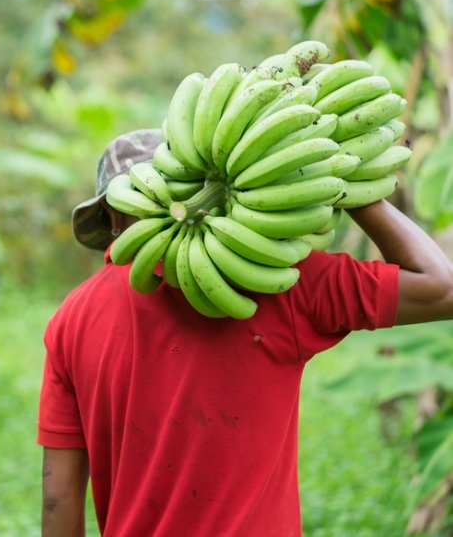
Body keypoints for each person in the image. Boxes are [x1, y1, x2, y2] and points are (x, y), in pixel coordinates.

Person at [36, 128, 453, 536]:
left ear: (110, 216)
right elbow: (441, 288)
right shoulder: (282, 282)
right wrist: (346, 184)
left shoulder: (71, 319)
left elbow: (59, 498)